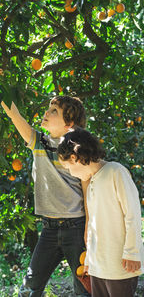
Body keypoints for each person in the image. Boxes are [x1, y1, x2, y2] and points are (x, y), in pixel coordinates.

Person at [1, 96, 91, 297]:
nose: (46, 113)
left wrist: (88, 227)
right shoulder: (39, 143)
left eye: (54, 111)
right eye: (48, 109)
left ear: (69, 124)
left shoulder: (79, 149)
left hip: (75, 227)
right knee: (29, 289)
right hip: (49, 229)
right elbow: (14, 115)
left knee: (84, 289)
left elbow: (87, 191)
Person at [57, 127, 144, 297]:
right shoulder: (91, 182)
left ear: (74, 158)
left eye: (67, 167)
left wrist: (132, 252)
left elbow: (132, 214)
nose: (70, 173)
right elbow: (93, 228)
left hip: (121, 266)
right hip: (98, 268)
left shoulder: (115, 171)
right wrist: (90, 261)